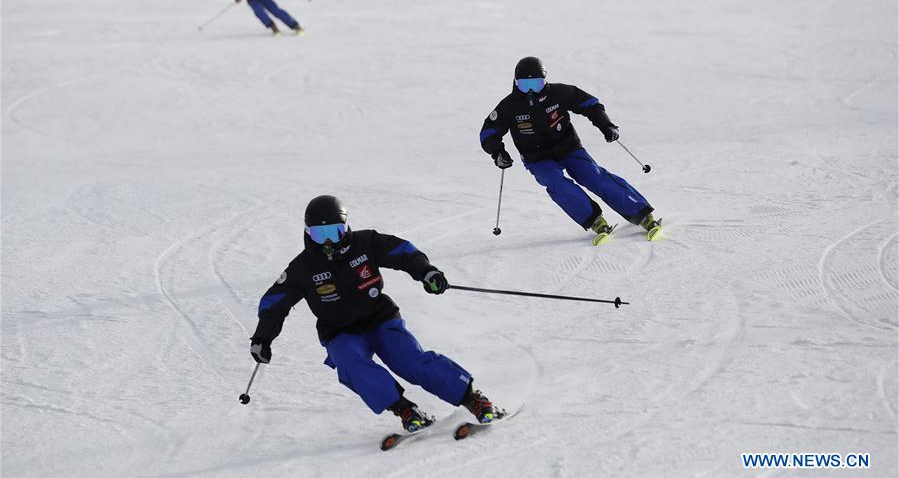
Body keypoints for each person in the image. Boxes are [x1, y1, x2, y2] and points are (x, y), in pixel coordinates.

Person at [249, 195, 498, 433]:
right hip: (339, 330)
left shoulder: (365, 243)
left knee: (407, 359)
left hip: (380, 318)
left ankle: (471, 398)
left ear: (346, 227)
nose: (327, 242)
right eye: (319, 234)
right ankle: (405, 411)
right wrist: (262, 338)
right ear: (307, 233)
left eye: (333, 232)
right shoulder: (302, 268)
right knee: (350, 363)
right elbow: (274, 303)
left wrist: (426, 272)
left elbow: (403, 251)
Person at [479, 57, 661, 242]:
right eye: (526, 85)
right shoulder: (509, 106)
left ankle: (641, 212)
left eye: (537, 84)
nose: (532, 90)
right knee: (556, 183)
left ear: (545, 81)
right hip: (537, 158)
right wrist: (498, 152)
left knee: (593, 176)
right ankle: (595, 220)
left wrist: (606, 125)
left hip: (568, 147)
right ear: (516, 83)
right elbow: (488, 132)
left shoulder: (559, 93)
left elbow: (590, 104)